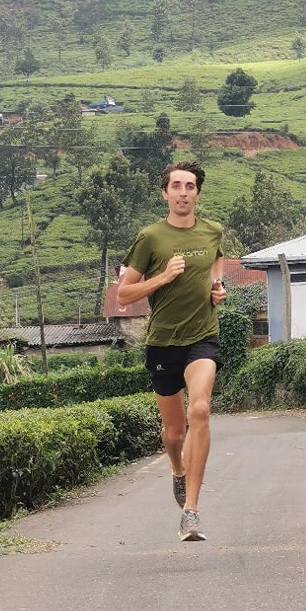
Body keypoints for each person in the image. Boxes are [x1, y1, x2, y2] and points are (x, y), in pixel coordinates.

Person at [117, 160, 226, 541]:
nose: (183, 192)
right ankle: (177, 469)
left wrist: (217, 287)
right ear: (164, 193)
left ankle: (191, 511)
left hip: (202, 337)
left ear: (197, 193)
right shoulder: (150, 238)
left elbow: (217, 259)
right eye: (176, 186)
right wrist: (163, 277)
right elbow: (124, 294)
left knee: (200, 409)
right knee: (175, 432)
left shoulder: (212, 231)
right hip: (163, 342)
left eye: (189, 186)